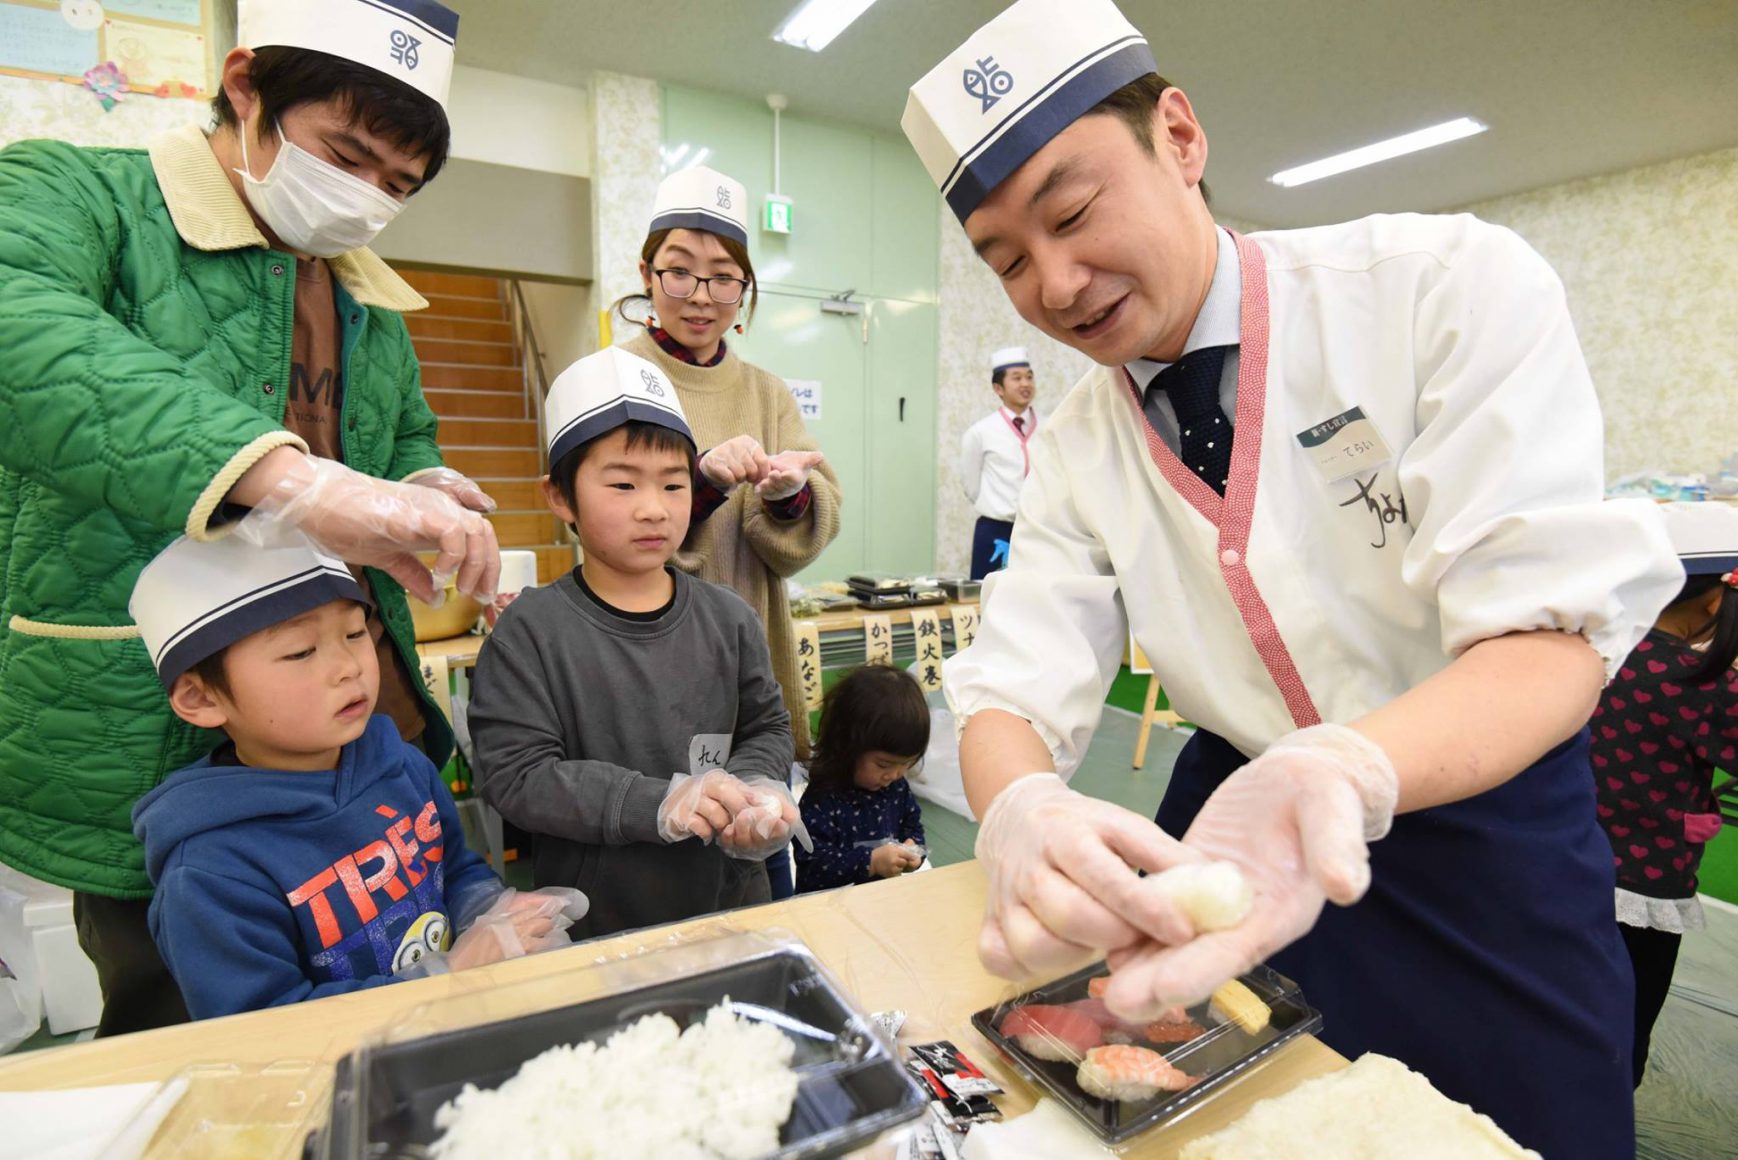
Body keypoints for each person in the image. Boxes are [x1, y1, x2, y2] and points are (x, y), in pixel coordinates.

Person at [902, 1, 1681, 1154]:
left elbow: (1548, 643)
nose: (1057, 284)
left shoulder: (1437, 287)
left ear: (1179, 136)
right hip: (1232, 834)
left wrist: (1351, 764)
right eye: (1007, 260)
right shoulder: (1073, 443)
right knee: (1233, 1125)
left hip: (1489, 829)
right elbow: (1012, 684)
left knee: (1532, 1124)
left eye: (1070, 212)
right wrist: (1018, 802)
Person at [0, 0, 500, 1036]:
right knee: (194, 1016)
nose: (365, 199)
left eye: (397, 186)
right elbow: (24, 330)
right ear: (245, 87)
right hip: (151, 719)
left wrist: (426, 482)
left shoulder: (362, 294)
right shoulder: (76, 194)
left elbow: (396, 430)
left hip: (343, 730)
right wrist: (292, 479)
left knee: (391, 970)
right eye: (345, 153)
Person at [127, 533, 581, 1020]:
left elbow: (455, 867)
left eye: (355, 633)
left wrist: (495, 910)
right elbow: (265, 1028)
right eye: (301, 651)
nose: (348, 668)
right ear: (202, 699)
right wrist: (445, 976)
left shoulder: (400, 766)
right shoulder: (211, 872)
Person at [467, 347, 807, 940]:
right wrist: (657, 802)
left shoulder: (729, 617)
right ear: (560, 496)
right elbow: (516, 776)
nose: (654, 509)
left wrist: (755, 791)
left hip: (729, 909)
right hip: (601, 922)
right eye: (622, 484)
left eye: (675, 484)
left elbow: (767, 728)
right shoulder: (530, 632)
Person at [615, 165, 841, 770]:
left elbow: (797, 540)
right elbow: (599, 529)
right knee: (667, 810)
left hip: (751, 641)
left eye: (723, 279)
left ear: (743, 288)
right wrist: (701, 483)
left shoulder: (767, 393)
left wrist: (787, 495)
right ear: (646, 273)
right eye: (680, 271)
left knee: (756, 820)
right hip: (645, 646)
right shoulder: (613, 379)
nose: (700, 296)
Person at [1592, 502, 1738, 1087]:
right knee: (1630, 1017)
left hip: (1575, 859)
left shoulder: (1600, 650)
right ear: (1711, 602)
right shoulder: (1703, 682)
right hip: (1648, 879)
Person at [795, 666, 930, 892]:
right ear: (847, 747)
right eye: (883, 764)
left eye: (906, 764)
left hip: (880, 902)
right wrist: (871, 861)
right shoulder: (822, 798)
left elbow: (912, 826)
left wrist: (914, 849)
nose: (894, 775)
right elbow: (813, 866)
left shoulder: (896, 788)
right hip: (824, 910)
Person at [959, 347, 1039, 579]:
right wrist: (997, 504)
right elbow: (970, 486)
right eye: (1016, 378)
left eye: (1029, 376)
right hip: (995, 530)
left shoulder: (1049, 427)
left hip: (1037, 530)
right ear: (998, 388)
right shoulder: (980, 432)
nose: (1025, 383)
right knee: (988, 599)